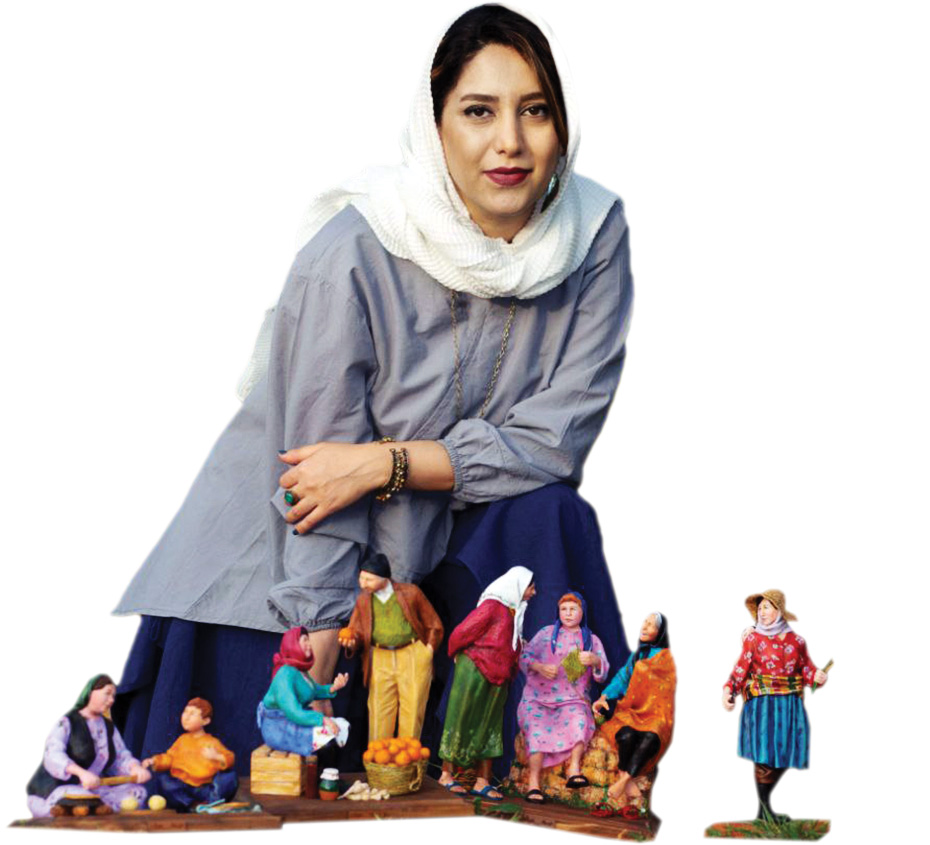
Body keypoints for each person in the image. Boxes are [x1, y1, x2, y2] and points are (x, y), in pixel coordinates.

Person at [112, 3, 632, 770]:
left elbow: (554, 442)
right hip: (293, 556)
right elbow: (313, 481)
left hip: (447, 545)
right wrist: (321, 645)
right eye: (478, 111)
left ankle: (563, 762)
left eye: (535, 111)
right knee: (253, 759)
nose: (510, 142)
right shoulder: (350, 255)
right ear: (435, 122)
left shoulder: (589, 234)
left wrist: (383, 463)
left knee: (552, 512)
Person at [722, 591, 829, 822]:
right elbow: (741, 668)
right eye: (760, 608)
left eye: (767, 607)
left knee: (788, 750)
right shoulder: (753, 639)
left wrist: (817, 676)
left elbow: (806, 668)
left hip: (789, 705)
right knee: (764, 755)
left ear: (779, 611)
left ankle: (764, 809)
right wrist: (729, 689)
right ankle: (764, 811)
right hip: (762, 706)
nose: (762, 612)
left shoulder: (797, 641)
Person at [438, 566, 534, 801]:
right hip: (475, 670)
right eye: (531, 587)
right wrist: (457, 653)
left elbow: (509, 643)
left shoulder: (513, 612)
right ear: (519, 586)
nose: (534, 592)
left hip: (499, 677)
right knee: (461, 718)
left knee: (490, 726)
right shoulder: (493, 607)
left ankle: (482, 780)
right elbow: (462, 632)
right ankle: (446, 774)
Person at [340, 550, 444, 742]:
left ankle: (408, 755)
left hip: (411, 653)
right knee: (379, 707)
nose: (363, 584)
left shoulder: (410, 593)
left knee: (413, 705)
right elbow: (356, 629)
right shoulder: (364, 600)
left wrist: (428, 651)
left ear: (383, 577)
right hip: (380, 655)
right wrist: (352, 640)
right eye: (361, 578)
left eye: (368, 579)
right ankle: (379, 755)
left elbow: (433, 624)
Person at [516, 590, 608, 803]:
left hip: (572, 699)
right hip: (537, 698)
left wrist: (595, 660)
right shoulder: (546, 634)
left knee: (579, 720)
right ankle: (533, 782)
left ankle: (573, 769)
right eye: (563, 609)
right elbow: (524, 656)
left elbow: (602, 674)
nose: (567, 613)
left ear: (582, 612)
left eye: (573, 609)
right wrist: (538, 666)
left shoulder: (590, 640)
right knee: (536, 730)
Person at [26, 674, 152, 818]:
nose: (111, 700)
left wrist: (134, 768)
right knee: (81, 797)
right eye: (107, 694)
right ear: (91, 692)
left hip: (96, 787)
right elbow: (53, 754)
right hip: (62, 787)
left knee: (137, 792)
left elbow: (120, 756)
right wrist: (81, 773)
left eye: (113, 696)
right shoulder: (68, 722)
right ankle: (81, 807)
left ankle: (96, 808)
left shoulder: (108, 727)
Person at [593, 612, 676, 803]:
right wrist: (604, 697)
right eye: (644, 623)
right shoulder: (639, 655)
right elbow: (622, 678)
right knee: (627, 736)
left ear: (661, 632)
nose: (644, 627)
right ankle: (628, 782)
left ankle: (622, 781)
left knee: (651, 737)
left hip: (657, 716)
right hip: (632, 712)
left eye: (650, 624)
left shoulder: (669, 659)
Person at [257, 627, 351, 757]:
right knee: (327, 734)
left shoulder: (300, 672)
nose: (309, 644)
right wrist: (322, 719)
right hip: (279, 728)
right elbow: (293, 712)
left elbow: (313, 691)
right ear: (293, 645)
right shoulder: (285, 674)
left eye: (308, 640)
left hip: (294, 721)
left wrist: (333, 687)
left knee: (340, 725)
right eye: (304, 640)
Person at [142, 698, 238, 811]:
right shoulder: (182, 740)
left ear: (205, 721)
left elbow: (229, 758)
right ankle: (189, 804)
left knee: (229, 777)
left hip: (206, 787)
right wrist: (155, 761)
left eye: (192, 714)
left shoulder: (212, 742)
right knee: (164, 781)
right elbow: (169, 758)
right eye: (185, 712)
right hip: (183, 787)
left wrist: (216, 757)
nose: (186, 717)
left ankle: (212, 801)